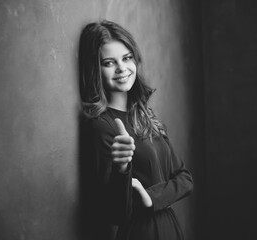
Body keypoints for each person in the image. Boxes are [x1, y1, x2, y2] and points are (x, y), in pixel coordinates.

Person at [78, 20, 193, 240]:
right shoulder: (102, 126)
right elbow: (115, 213)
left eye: (127, 58)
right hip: (142, 233)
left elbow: (186, 179)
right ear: (95, 69)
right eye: (109, 62)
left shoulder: (144, 115)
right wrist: (121, 170)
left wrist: (151, 197)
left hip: (170, 227)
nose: (122, 68)